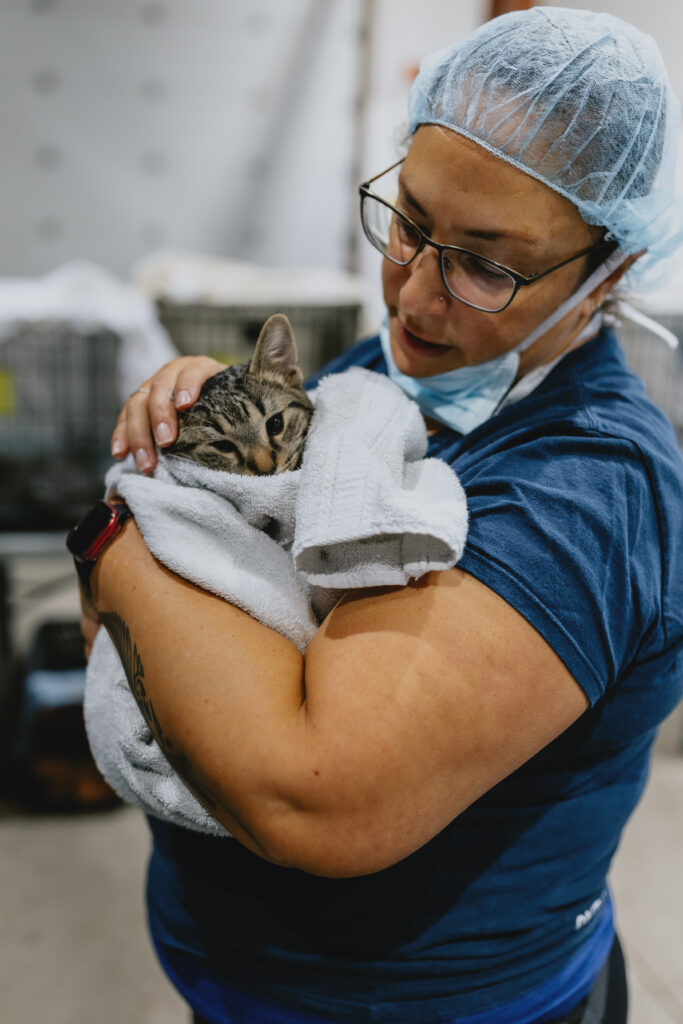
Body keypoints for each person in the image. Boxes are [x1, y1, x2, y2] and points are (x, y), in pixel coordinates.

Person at [76, 8, 683, 1024]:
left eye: (485, 263)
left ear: (608, 269)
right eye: (408, 218)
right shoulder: (378, 375)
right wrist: (184, 445)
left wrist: (114, 538)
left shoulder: (588, 484)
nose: (409, 293)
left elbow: (317, 793)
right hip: (240, 980)